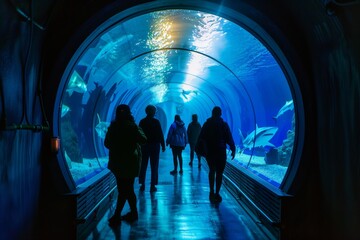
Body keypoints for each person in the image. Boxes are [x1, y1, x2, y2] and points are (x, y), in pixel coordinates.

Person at [104, 104, 147, 227]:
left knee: (123, 189)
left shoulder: (113, 127)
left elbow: (106, 143)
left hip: (117, 163)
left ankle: (121, 215)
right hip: (130, 162)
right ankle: (130, 214)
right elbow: (144, 139)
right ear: (129, 113)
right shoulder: (133, 127)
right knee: (127, 189)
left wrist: (117, 147)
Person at [197, 106, 235, 203]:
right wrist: (233, 148)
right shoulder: (224, 124)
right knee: (219, 173)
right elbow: (229, 138)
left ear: (212, 113)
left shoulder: (206, 124)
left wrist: (199, 150)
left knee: (211, 170)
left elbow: (201, 137)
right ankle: (217, 193)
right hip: (221, 151)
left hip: (210, 151)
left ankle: (211, 191)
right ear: (220, 114)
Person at [138, 105, 166, 192]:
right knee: (154, 166)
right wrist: (163, 144)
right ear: (153, 112)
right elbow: (160, 134)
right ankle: (152, 185)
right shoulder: (156, 122)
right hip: (155, 146)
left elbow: (139, 134)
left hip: (144, 146)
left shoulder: (142, 121)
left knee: (143, 165)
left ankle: (142, 184)